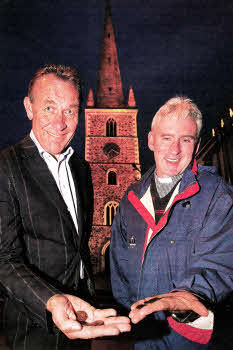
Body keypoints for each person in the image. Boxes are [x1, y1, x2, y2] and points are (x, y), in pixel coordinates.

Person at [0, 64, 130, 350]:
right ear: (29, 107)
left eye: (70, 110)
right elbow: (3, 260)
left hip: (83, 317)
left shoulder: (82, 169)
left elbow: (76, 244)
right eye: (49, 108)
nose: (60, 123)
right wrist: (51, 300)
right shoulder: (6, 166)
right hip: (33, 329)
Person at [110, 96, 233, 349]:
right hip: (144, 334)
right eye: (167, 138)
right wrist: (133, 312)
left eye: (185, 140)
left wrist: (187, 297)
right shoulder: (130, 199)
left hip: (191, 339)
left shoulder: (218, 196)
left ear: (196, 146)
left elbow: (221, 261)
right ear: (151, 141)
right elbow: (119, 266)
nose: (175, 150)